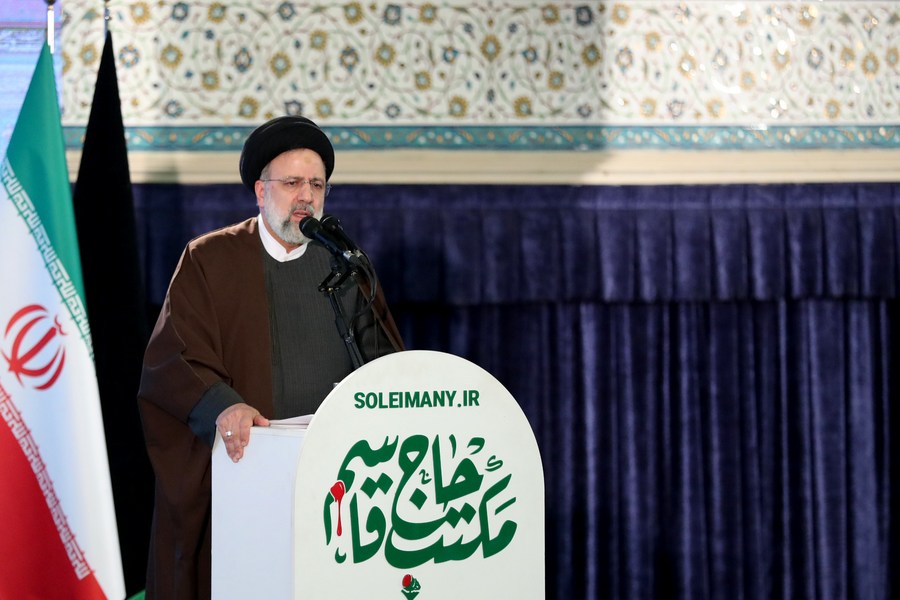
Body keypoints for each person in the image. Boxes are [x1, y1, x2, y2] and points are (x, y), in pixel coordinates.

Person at [136, 115, 404, 599]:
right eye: (292, 182)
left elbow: (385, 363)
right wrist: (223, 406)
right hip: (248, 472)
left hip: (338, 479)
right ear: (261, 192)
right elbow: (173, 359)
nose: (306, 196)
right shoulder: (210, 259)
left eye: (317, 185)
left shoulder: (345, 266)